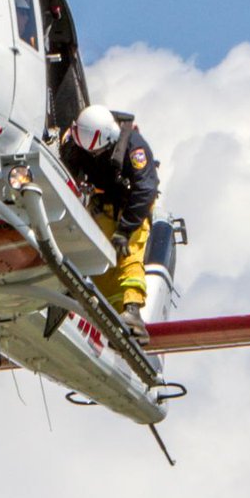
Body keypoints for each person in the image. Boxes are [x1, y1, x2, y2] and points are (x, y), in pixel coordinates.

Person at [63, 104, 160, 339]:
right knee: (90, 251)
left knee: (129, 255)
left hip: (132, 207)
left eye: (98, 152)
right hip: (101, 203)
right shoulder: (75, 140)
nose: (94, 156)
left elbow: (145, 190)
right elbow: (67, 169)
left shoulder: (134, 147)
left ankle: (132, 313)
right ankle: (84, 303)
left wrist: (125, 230)